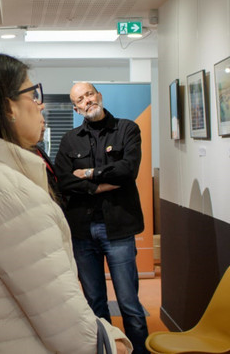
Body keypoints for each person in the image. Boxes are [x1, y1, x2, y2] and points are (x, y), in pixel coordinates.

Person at [0, 52, 131, 353]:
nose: (41, 104)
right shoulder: (9, 195)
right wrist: (115, 344)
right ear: (8, 107)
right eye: (33, 94)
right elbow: (72, 332)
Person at [55, 82, 149, 354]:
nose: (87, 101)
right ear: (75, 108)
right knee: (94, 303)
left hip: (119, 228)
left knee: (130, 304)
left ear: (99, 96)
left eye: (89, 95)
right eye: (80, 99)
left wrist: (87, 174)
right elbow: (63, 182)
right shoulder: (70, 139)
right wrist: (98, 185)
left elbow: (128, 170)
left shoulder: (127, 129)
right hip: (83, 232)